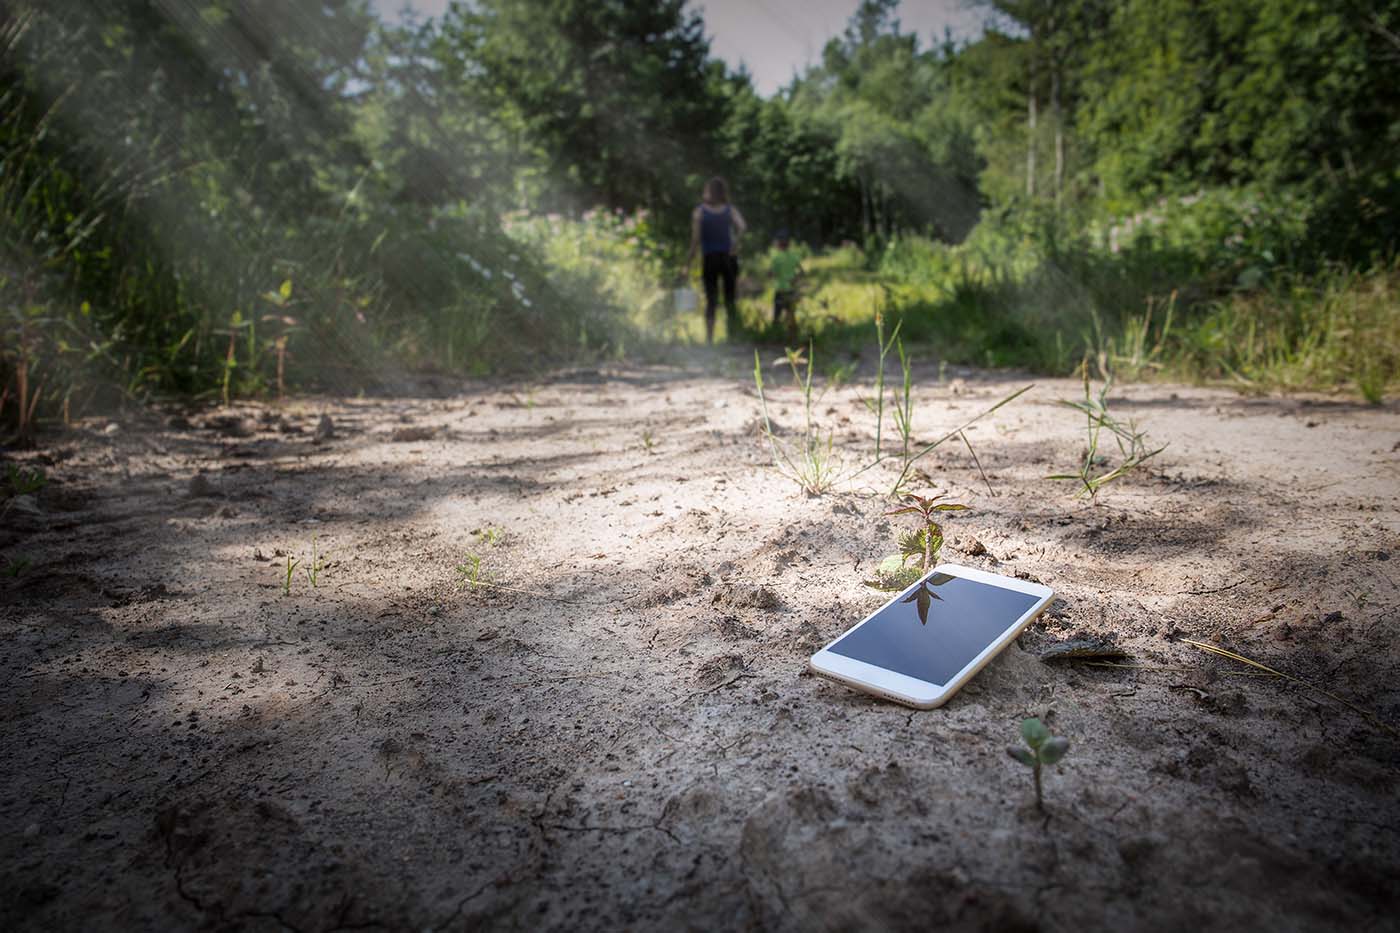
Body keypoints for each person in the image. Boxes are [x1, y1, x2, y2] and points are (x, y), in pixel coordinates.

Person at [685, 177, 747, 343]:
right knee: (730, 298)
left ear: (708, 191)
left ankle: (710, 339)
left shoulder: (699, 212)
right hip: (728, 258)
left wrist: (688, 263)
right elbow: (742, 226)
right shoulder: (729, 210)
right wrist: (735, 243)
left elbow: (695, 239)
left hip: (710, 259)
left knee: (711, 299)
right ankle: (732, 336)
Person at [769, 230, 802, 330]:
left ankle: (775, 334)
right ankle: (793, 336)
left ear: (778, 243)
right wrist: (794, 279)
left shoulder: (776, 258)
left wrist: (773, 274)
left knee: (777, 315)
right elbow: (802, 272)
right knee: (791, 315)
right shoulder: (794, 256)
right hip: (791, 290)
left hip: (780, 291)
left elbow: (770, 274)